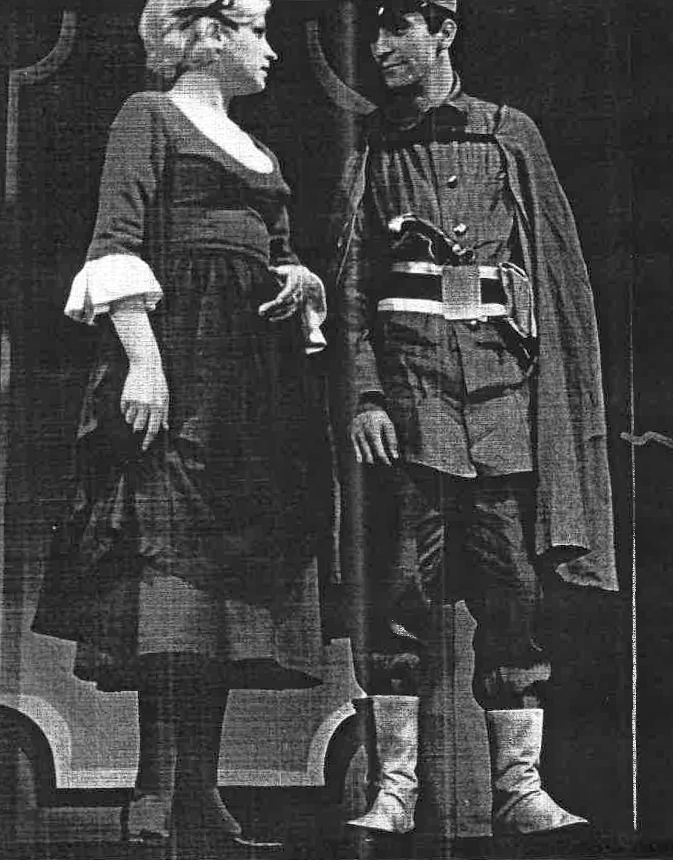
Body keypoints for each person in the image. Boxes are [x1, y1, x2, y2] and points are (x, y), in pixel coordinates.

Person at [31, 0, 331, 850]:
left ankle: (201, 791)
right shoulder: (148, 117)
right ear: (208, 35)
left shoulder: (262, 151)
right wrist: (144, 362)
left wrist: (300, 279)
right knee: (169, 583)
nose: (271, 51)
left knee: (227, 595)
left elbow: (278, 250)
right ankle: (155, 788)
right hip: (179, 362)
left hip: (253, 387)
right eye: (256, 32)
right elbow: (113, 241)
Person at [332, 0, 616, 839]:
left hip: (502, 411)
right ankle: (396, 789)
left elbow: (557, 278)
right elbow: (351, 291)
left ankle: (519, 790)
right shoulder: (372, 147)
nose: (380, 46)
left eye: (399, 27)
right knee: (397, 596)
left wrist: (546, 406)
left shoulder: (508, 135)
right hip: (410, 413)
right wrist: (366, 397)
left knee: (515, 601)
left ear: (445, 32)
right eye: (374, 30)